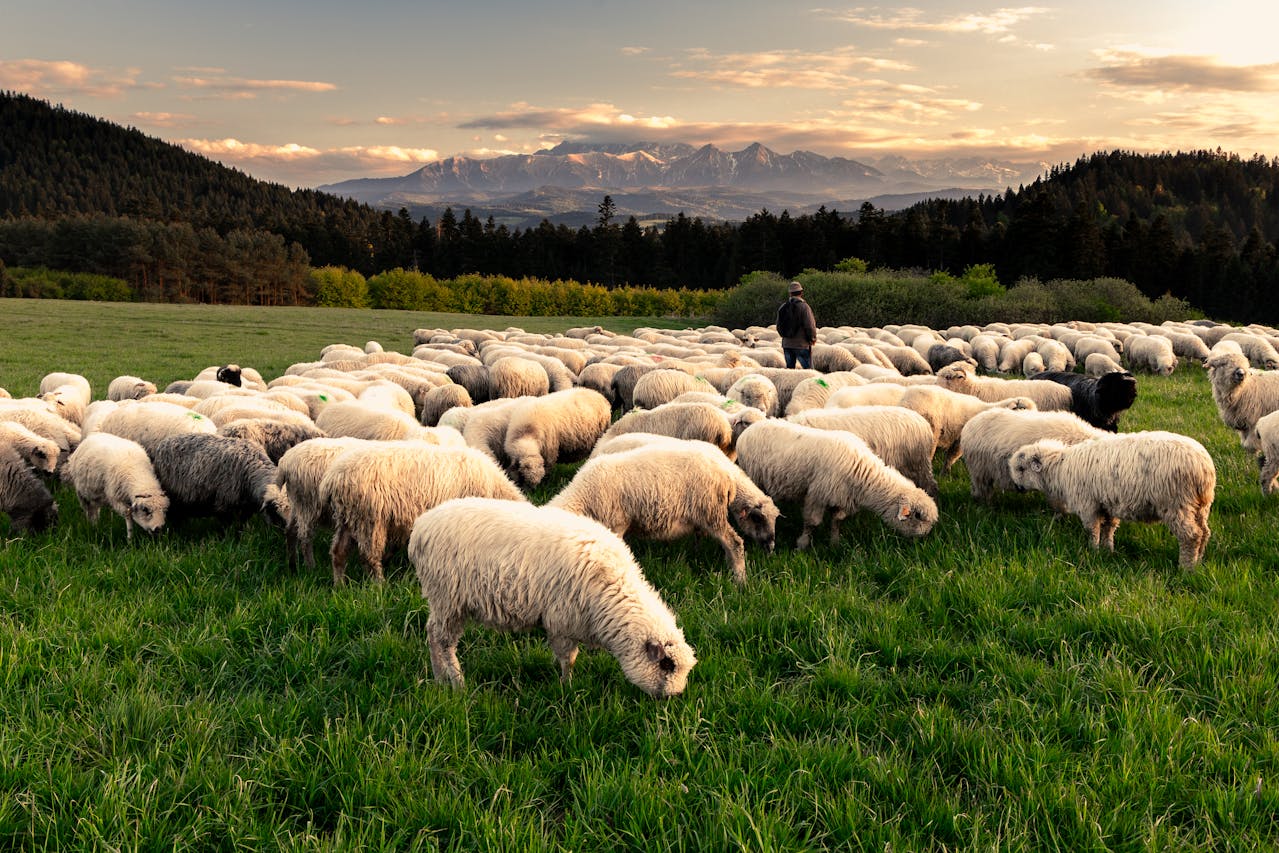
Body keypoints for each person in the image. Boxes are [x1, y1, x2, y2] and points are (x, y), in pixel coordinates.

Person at [776, 280, 817, 369]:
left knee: (790, 371)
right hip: (801, 344)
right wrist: (812, 338)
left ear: (790, 293)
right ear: (801, 293)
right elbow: (810, 325)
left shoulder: (783, 307)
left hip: (787, 344)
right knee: (809, 372)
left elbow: (778, 326)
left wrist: (785, 337)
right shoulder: (804, 307)